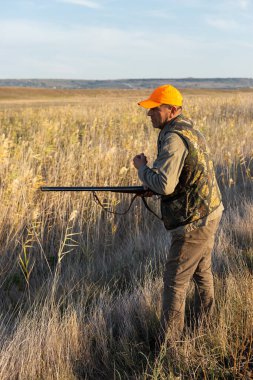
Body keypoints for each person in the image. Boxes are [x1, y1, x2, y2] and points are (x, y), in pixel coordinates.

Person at [133, 84, 224, 341]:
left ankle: (170, 348)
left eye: (154, 109)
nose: (149, 114)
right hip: (209, 212)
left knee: (175, 283)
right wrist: (153, 182)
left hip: (194, 220)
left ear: (171, 110)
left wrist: (142, 170)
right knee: (201, 271)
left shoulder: (173, 137)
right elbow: (177, 178)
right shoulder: (187, 128)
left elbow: (164, 184)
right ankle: (207, 327)